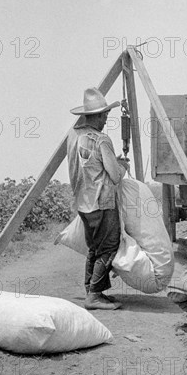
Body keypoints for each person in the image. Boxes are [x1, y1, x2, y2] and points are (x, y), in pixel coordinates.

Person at [67, 87, 129, 310]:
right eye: (104, 115)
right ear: (97, 116)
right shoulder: (101, 139)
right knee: (109, 246)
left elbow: (87, 167)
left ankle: (92, 290)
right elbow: (114, 176)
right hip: (102, 202)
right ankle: (94, 295)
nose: (105, 120)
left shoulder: (74, 137)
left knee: (94, 247)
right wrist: (122, 166)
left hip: (83, 202)